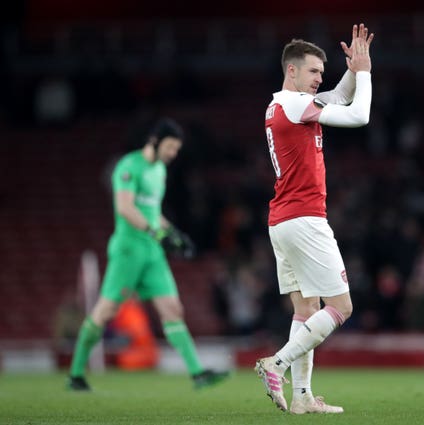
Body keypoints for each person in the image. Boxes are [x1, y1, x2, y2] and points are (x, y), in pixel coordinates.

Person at [255, 23, 374, 414]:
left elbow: (339, 95)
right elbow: (358, 115)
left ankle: (302, 397)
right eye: (313, 72)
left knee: (306, 310)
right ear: (291, 70)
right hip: (305, 218)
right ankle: (278, 363)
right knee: (341, 307)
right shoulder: (293, 104)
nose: (319, 79)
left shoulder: (281, 105)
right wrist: (367, 73)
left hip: (282, 220)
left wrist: (353, 69)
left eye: (322, 72)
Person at [67, 117, 229, 391]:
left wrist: (175, 234)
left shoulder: (159, 171)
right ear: (155, 142)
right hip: (128, 250)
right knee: (105, 312)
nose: (173, 154)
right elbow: (125, 208)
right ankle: (76, 375)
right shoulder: (128, 167)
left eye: (176, 149)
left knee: (172, 310)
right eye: (170, 147)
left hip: (152, 253)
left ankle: (197, 374)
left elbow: (153, 213)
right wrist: (157, 233)